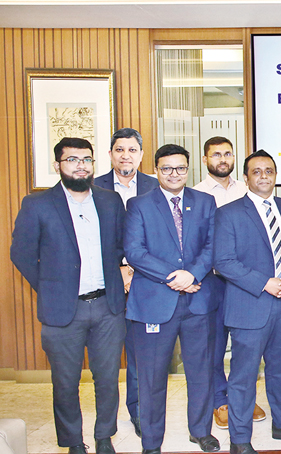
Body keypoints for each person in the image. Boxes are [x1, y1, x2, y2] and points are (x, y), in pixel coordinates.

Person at [11, 137, 127, 454]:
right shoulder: (37, 204)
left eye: (86, 159)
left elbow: (119, 247)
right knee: (65, 383)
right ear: (58, 165)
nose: (80, 166)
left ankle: (104, 437)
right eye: (72, 159)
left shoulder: (110, 201)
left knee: (108, 379)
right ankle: (73, 442)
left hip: (107, 307)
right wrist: (51, 287)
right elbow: (21, 253)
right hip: (63, 311)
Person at [214, 150, 281, 454]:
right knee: (243, 378)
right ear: (246, 177)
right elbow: (224, 261)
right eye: (256, 171)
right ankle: (240, 440)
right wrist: (265, 283)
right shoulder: (229, 213)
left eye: (269, 171)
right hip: (249, 307)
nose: (263, 176)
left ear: (276, 176)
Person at [124, 144, 219, 454]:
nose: (174, 174)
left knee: (201, 371)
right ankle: (151, 442)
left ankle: (201, 431)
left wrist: (192, 275)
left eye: (180, 168)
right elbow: (135, 252)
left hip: (198, 301)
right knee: (152, 378)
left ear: (188, 169)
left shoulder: (205, 202)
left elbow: (212, 245)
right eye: (167, 168)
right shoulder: (139, 205)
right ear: (156, 170)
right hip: (154, 302)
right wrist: (174, 278)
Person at [93, 127, 159, 438]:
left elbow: (161, 236)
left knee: (141, 353)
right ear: (110, 154)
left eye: (132, 150)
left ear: (141, 155)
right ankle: (105, 422)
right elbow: (92, 239)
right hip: (107, 284)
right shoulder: (93, 187)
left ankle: (140, 412)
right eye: (119, 150)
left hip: (146, 283)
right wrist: (119, 268)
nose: (125, 156)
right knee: (107, 358)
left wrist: (136, 269)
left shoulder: (155, 186)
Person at [192, 137, 261, 431]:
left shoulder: (246, 189)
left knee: (246, 344)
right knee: (215, 345)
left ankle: (242, 397)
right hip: (212, 281)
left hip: (245, 281)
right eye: (216, 154)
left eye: (228, 154)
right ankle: (220, 400)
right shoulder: (196, 194)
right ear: (205, 159)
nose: (223, 159)